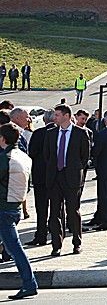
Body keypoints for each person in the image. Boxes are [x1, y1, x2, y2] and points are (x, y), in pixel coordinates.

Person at [44, 104, 90, 256]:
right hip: (55, 176)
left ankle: (77, 242)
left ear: (66, 116)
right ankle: (56, 245)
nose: (54, 117)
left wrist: (75, 170)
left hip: (72, 177)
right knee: (55, 211)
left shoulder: (80, 133)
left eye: (57, 115)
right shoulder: (51, 133)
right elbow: (47, 155)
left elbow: (85, 157)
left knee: (73, 211)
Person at [0, 122, 37, 300]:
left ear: (2, 138)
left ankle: (29, 283)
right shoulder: (23, 156)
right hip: (15, 208)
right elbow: (27, 186)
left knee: (15, 249)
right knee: (14, 248)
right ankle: (30, 283)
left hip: (3, 209)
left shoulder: (4, 157)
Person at [25, 111, 54, 247]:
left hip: (40, 175)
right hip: (56, 176)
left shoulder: (39, 133)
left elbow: (32, 153)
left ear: (44, 119)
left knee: (41, 207)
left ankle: (41, 235)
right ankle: (56, 235)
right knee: (57, 207)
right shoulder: (60, 133)